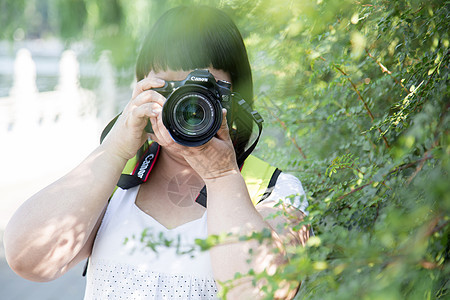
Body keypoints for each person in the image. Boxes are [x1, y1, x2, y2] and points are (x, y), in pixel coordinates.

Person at [3, 5, 309, 300]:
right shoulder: (114, 178)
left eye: (207, 91)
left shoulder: (273, 190)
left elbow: (263, 292)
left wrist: (221, 175)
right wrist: (115, 148)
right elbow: (28, 259)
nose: (189, 106)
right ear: (143, 89)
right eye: (171, 87)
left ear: (237, 97)